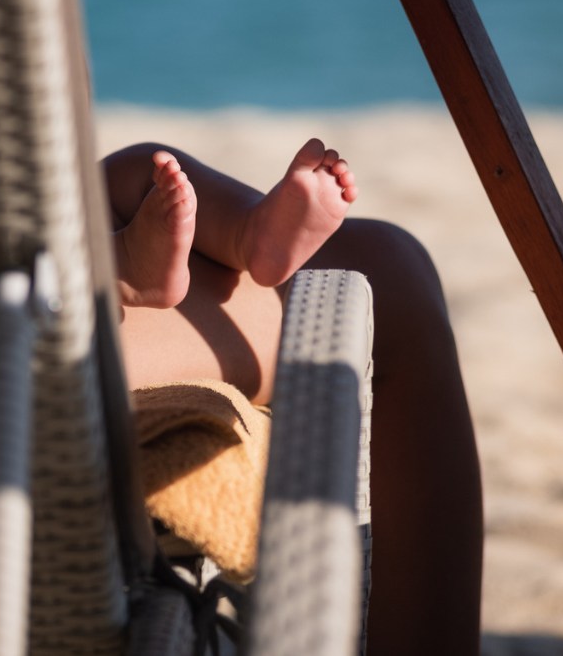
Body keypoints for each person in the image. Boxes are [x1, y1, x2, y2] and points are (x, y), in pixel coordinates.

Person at [104, 140, 483, 656]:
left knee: (136, 168)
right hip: (5, 331)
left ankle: (247, 230)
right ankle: (125, 262)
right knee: (392, 287)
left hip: (18, 281)